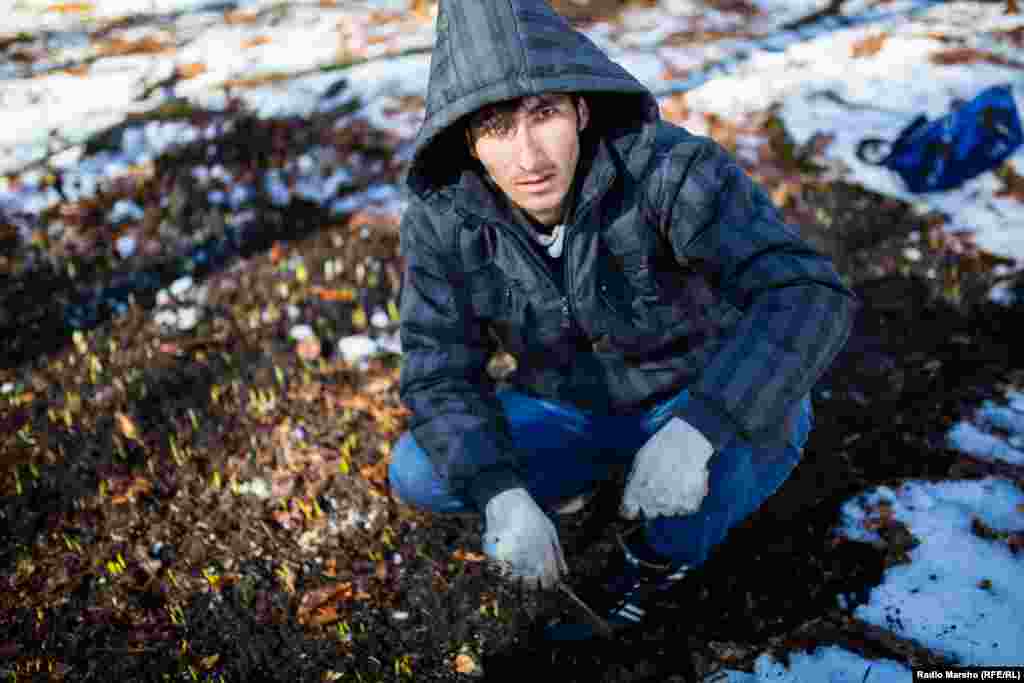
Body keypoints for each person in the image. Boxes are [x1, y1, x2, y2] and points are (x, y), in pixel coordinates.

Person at [389, 0, 858, 641]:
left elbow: (808, 294)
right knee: (418, 468)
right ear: (468, 143)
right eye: (497, 129)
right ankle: (575, 482)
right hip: (567, 405)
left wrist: (700, 428)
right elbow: (437, 370)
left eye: (544, 114)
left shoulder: (670, 171)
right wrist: (499, 491)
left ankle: (659, 560)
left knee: (772, 418)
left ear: (581, 108)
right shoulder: (445, 221)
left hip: (690, 394)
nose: (529, 158)